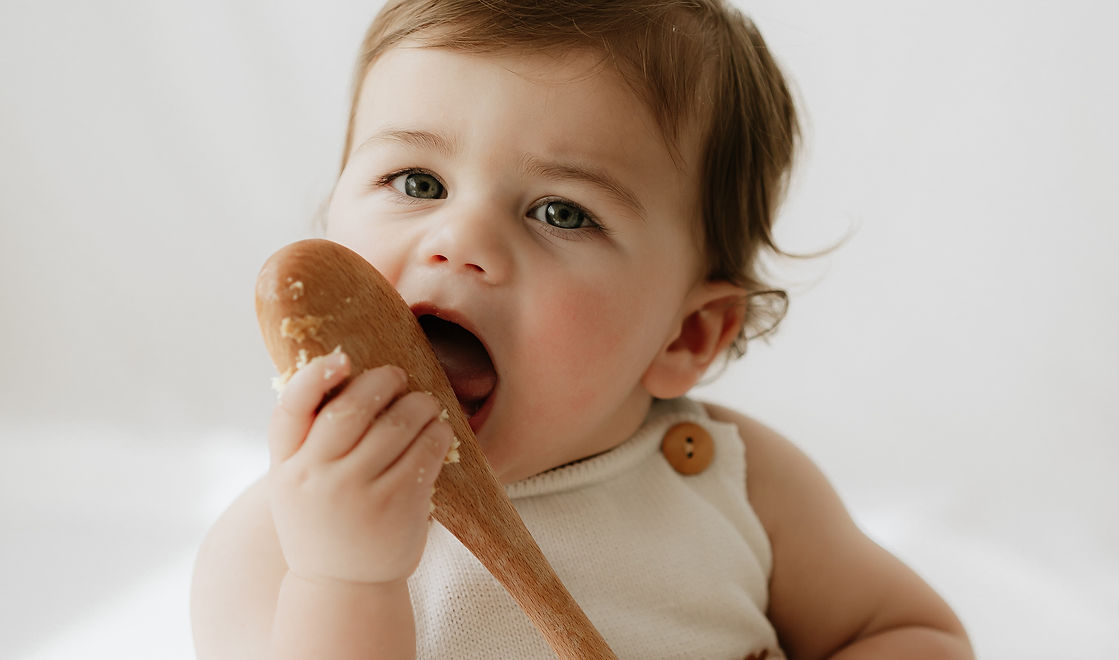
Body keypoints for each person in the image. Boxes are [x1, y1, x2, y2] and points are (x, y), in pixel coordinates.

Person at [191, 1, 973, 658]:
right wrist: (347, 580)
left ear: (686, 337)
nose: (460, 241)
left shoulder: (740, 483)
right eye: (418, 182)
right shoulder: (278, 544)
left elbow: (911, 632)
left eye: (561, 213)